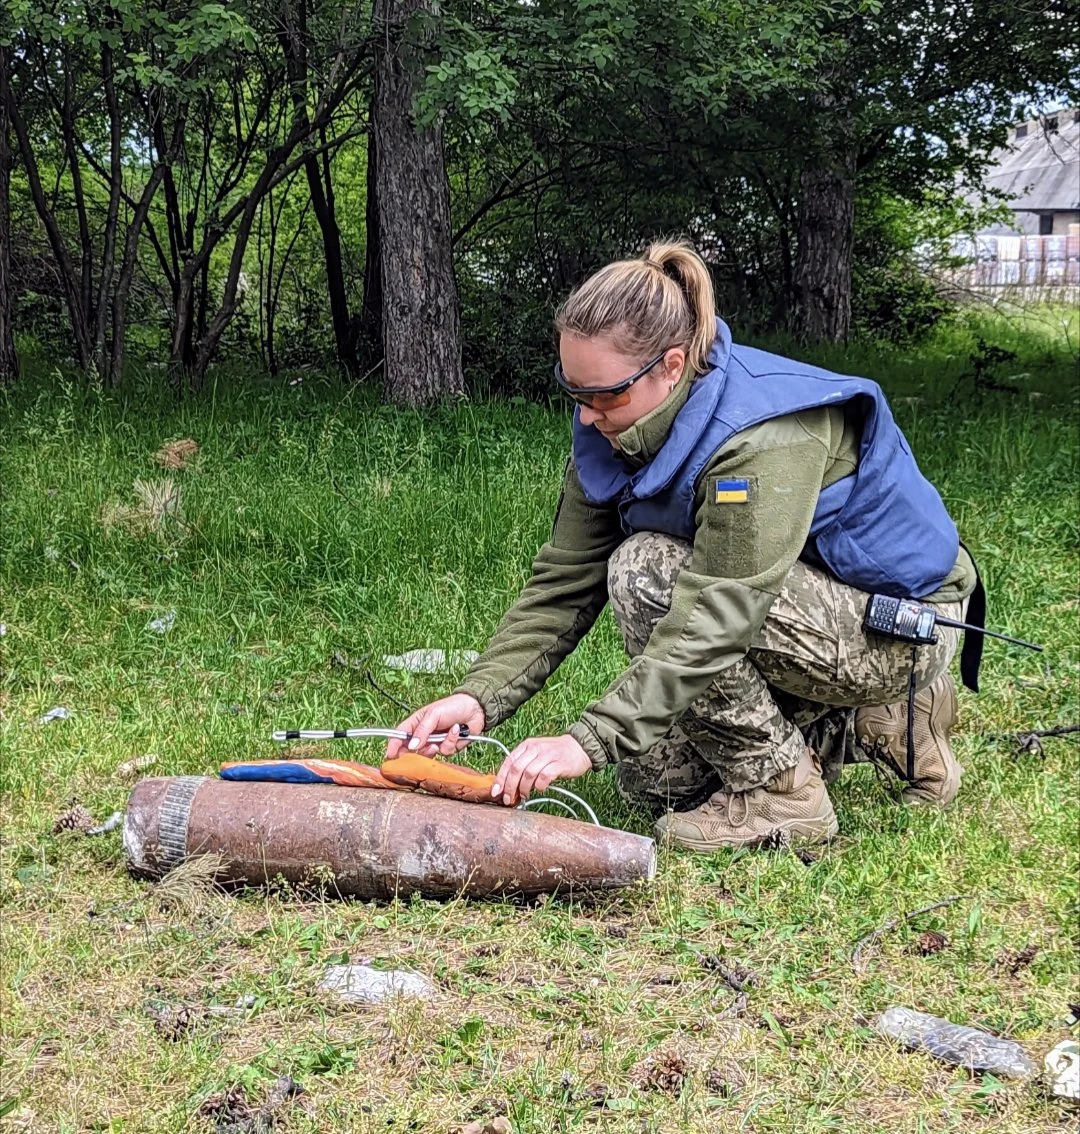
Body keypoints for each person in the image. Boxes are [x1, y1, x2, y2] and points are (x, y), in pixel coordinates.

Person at [385, 240, 978, 851]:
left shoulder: (759, 439)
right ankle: (876, 723)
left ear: (671, 366)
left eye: (605, 395)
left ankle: (784, 795)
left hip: (907, 626)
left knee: (646, 571)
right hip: (808, 604)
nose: (588, 415)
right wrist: (477, 697)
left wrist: (590, 737)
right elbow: (565, 580)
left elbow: (717, 613)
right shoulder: (609, 422)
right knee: (655, 779)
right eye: (574, 391)